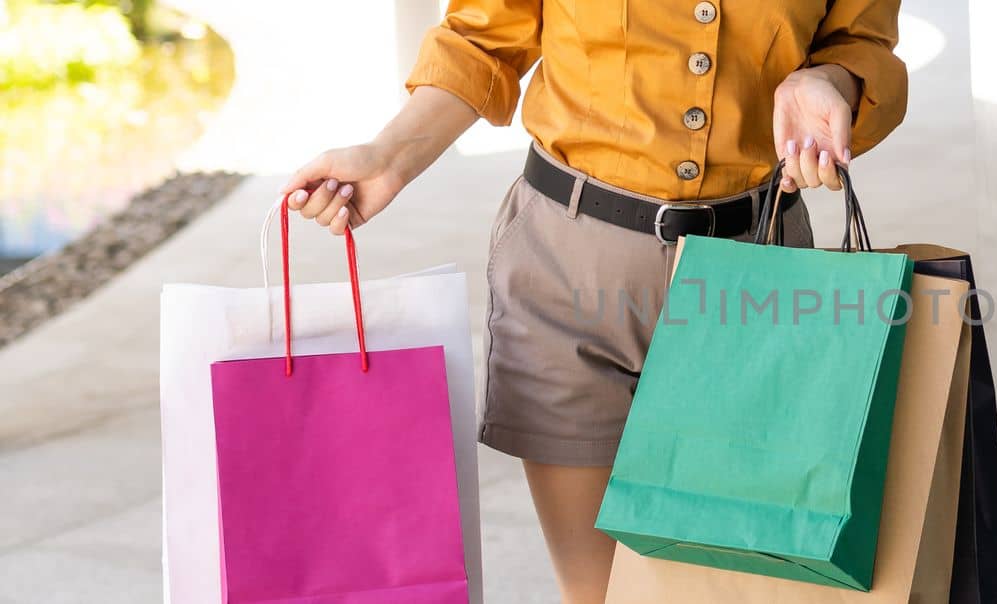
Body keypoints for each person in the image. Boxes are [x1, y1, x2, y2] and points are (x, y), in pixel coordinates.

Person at [276, 2, 908, 602]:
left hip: (758, 270)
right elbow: (482, 41)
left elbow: (862, 40)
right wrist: (389, 157)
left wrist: (832, 80)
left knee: (744, 583)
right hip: (566, 269)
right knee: (599, 591)